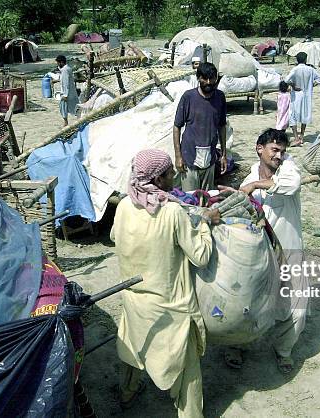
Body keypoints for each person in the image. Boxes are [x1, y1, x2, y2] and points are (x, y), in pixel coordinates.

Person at [112, 149, 221, 417]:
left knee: (134, 347)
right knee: (188, 367)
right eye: (170, 172)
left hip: (134, 299)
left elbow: (116, 235)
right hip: (169, 307)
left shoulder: (125, 205)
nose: (175, 175)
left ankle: (127, 392)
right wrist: (205, 222)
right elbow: (201, 256)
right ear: (159, 179)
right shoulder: (171, 211)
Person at [221, 128, 307, 374]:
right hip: (261, 251)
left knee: (297, 305)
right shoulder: (249, 178)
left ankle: (284, 350)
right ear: (260, 149)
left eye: (282, 150)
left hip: (289, 249)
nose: (279, 155)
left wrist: (256, 185)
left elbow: (291, 185)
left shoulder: (288, 168)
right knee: (247, 302)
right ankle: (238, 346)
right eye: (274, 150)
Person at [174, 62, 228, 191]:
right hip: (189, 157)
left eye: (212, 78)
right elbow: (177, 127)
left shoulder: (220, 97)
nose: (209, 82)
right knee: (190, 199)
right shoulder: (188, 97)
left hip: (209, 157)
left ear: (216, 78)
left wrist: (223, 155)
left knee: (206, 197)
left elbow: (222, 126)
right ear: (198, 78)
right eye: (205, 78)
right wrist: (178, 156)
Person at [284, 51, 320, 147]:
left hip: (296, 95)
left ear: (297, 60)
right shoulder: (310, 70)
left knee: (292, 115)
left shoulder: (295, 69)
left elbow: (286, 80)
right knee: (304, 115)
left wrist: (293, 85)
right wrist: (311, 85)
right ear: (306, 59)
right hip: (307, 95)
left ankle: (296, 137)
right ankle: (302, 136)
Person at [55, 55, 79, 126]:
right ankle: (77, 119)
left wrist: (65, 95)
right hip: (71, 92)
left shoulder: (65, 70)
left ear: (61, 62)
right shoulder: (67, 68)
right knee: (75, 106)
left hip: (67, 93)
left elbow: (66, 83)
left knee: (63, 107)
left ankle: (66, 122)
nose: (57, 64)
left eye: (58, 63)